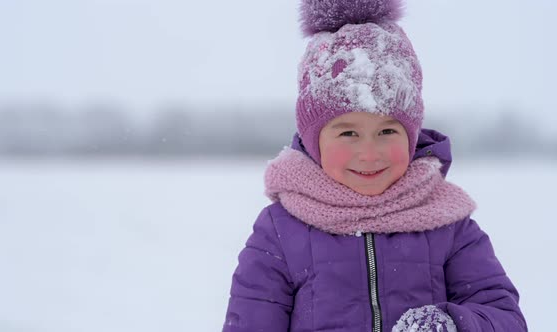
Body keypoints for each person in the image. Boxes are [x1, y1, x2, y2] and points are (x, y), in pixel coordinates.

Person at [222, 0, 527, 331]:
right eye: (348, 133)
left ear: (410, 138)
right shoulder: (281, 230)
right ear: (315, 142)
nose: (369, 153)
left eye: (386, 131)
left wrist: (455, 324)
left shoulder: (448, 225)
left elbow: (504, 316)